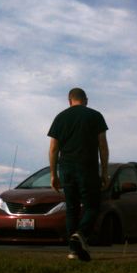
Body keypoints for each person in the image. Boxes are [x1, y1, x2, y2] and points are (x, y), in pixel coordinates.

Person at [48, 88, 109, 261]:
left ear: (69, 101)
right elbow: (102, 147)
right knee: (92, 207)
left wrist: (53, 174)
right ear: (86, 100)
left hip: (66, 168)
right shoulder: (95, 116)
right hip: (87, 168)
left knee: (71, 209)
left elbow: (53, 149)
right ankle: (80, 235)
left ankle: (73, 251)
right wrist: (104, 172)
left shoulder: (60, 117)